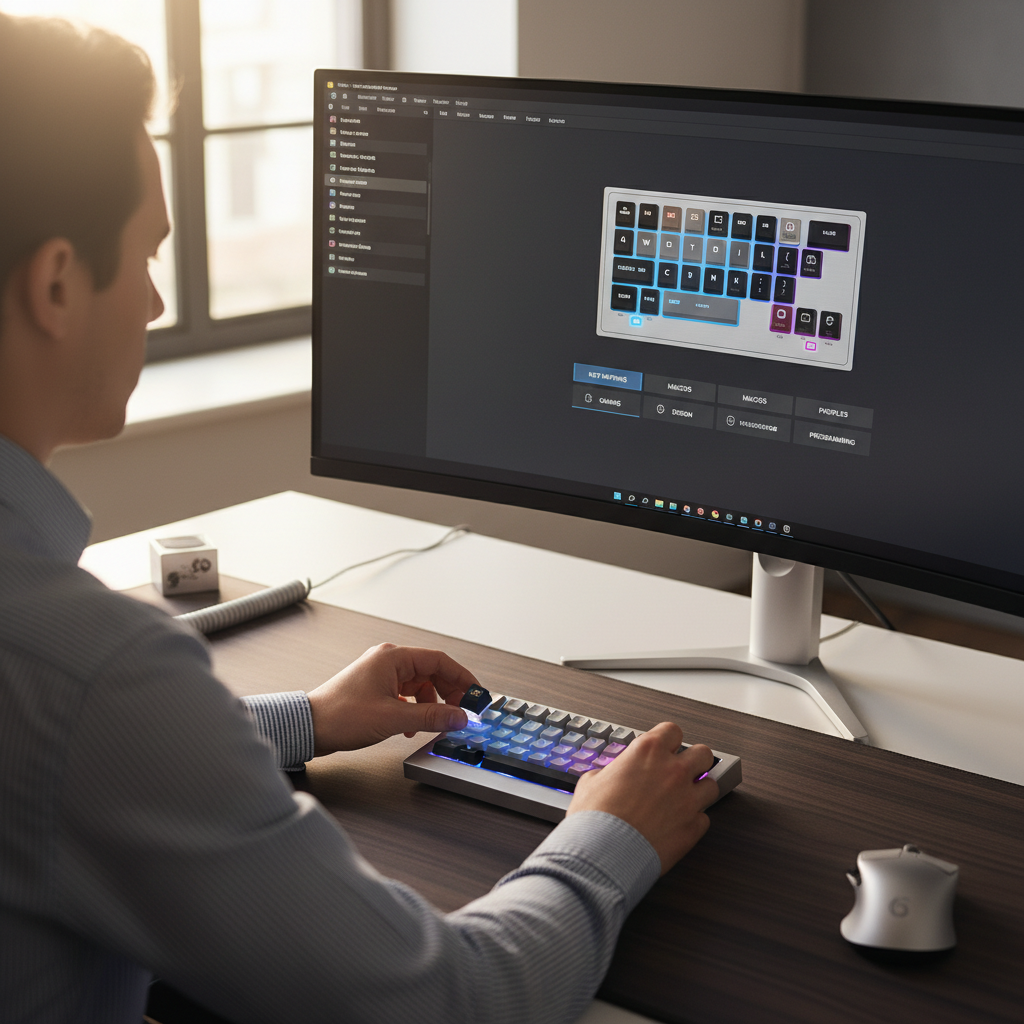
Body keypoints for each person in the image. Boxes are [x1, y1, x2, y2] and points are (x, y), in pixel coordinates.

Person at [0, 14, 718, 1024]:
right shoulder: (87, 669)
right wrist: (610, 836)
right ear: (59, 282)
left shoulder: (69, 686)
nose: (158, 304)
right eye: (150, 254)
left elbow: (56, 759)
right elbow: (446, 1002)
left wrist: (303, 720)